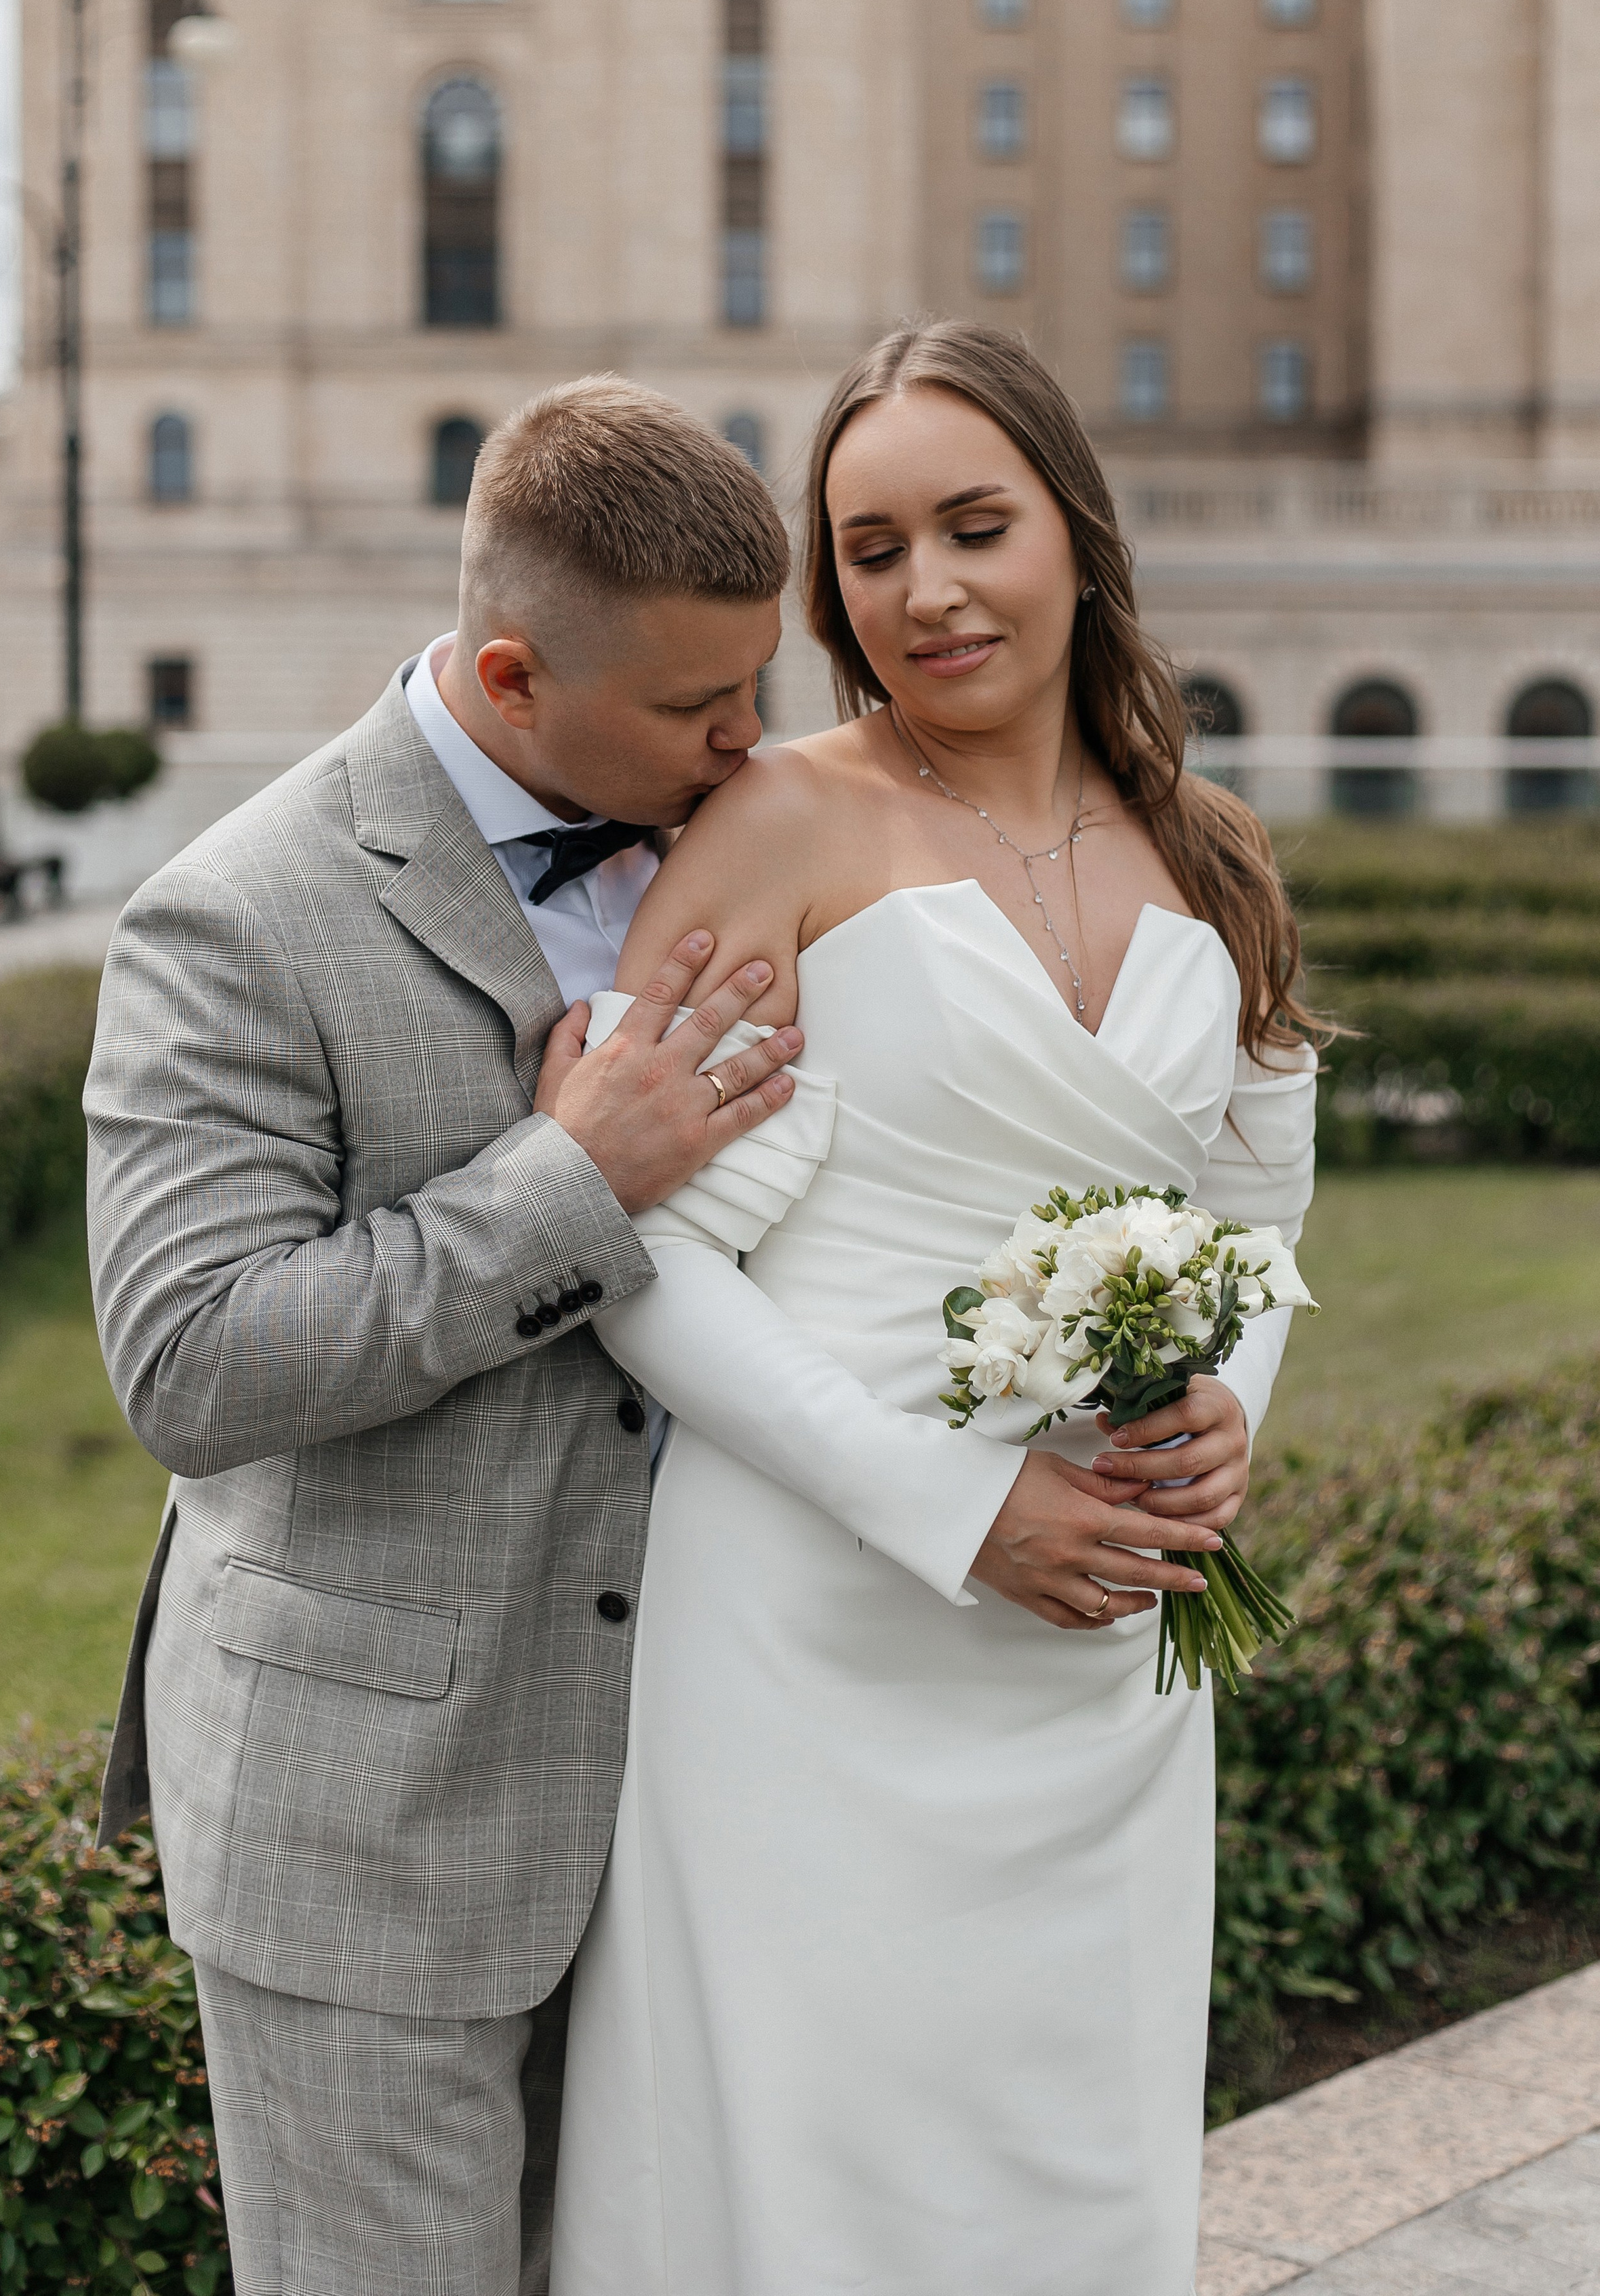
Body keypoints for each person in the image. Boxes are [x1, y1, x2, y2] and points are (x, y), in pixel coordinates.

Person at [84, 374, 1100, 2296]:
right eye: (696, 707)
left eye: (759, 686)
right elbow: (194, 1364)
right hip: (378, 1822)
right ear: (511, 676)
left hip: (706, 1798)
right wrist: (570, 1180)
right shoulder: (233, 919)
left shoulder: (749, 838)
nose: (747, 742)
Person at [548, 322, 1321, 2296]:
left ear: (1076, 532)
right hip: (811, 1638)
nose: (929, 594)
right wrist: (956, 1507)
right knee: (806, 2176)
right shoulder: (778, 826)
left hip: (1104, 1648)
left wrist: (1227, 1407)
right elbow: (643, 1259)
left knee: (1072, 2170)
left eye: (976, 529)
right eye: (873, 551)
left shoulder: (1214, 853)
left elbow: (1258, 1208)